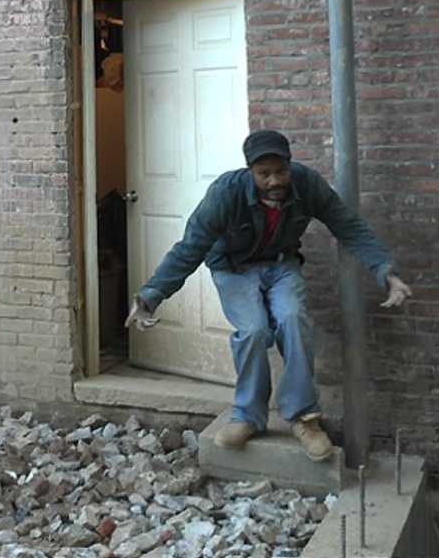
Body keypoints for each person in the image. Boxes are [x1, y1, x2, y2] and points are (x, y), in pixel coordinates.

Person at [124, 129, 412, 461]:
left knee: (293, 320)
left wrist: (385, 271)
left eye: (281, 171)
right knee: (254, 331)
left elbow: (347, 225)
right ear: (250, 171)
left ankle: (304, 419)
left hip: (280, 264)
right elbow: (190, 248)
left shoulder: (306, 184)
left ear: (290, 165)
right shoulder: (225, 193)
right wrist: (150, 296)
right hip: (233, 267)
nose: (275, 180)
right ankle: (248, 417)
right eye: (264, 174)